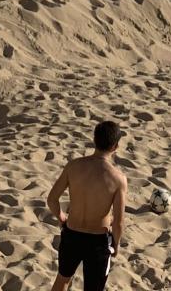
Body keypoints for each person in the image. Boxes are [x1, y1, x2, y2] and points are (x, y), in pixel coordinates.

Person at [47, 120, 127, 291]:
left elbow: (52, 199)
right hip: (97, 242)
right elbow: (119, 222)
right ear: (115, 146)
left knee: (62, 279)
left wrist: (61, 217)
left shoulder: (73, 166)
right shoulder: (118, 179)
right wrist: (116, 245)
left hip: (72, 235)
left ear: (94, 140)